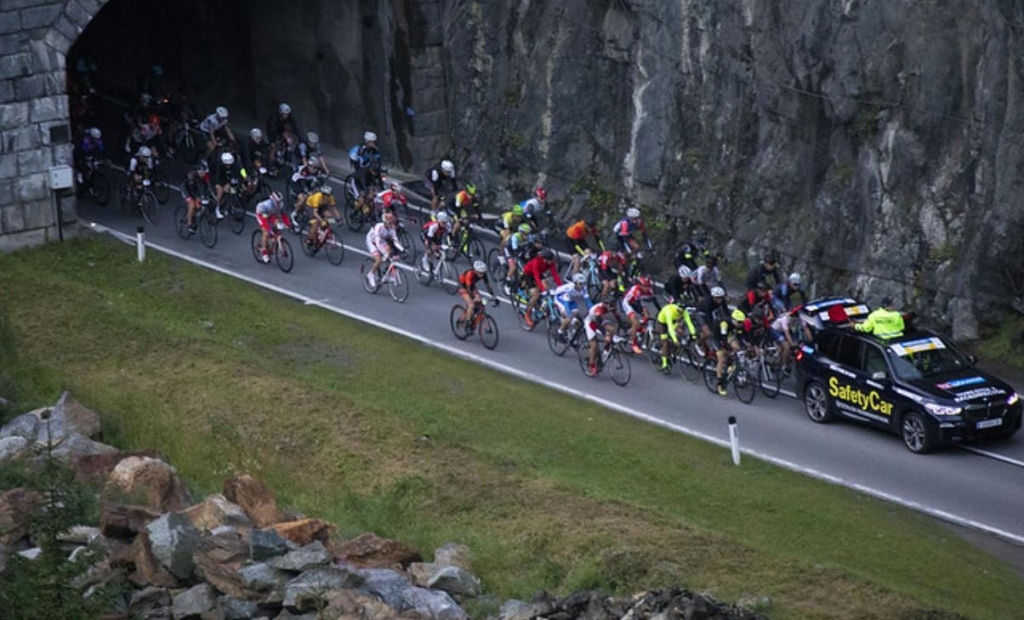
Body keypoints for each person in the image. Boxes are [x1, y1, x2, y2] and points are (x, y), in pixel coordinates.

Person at [521, 249, 563, 328]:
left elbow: (555, 275)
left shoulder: (551, 263)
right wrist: (542, 289)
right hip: (529, 274)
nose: (551, 262)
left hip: (539, 273)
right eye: (550, 260)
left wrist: (561, 287)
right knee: (536, 294)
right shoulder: (537, 261)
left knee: (547, 286)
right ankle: (527, 313)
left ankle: (542, 304)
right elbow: (536, 276)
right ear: (545, 259)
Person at [365, 212, 405, 289]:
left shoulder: (392, 229)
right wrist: (384, 253)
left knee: (391, 255)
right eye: (389, 223)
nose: (391, 225)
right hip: (372, 241)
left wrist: (403, 249)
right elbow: (377, 243)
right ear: (385, 223)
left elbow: (396, 241)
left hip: (381, 240)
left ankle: (388, 273)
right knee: (379, 259)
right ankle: (370, 274)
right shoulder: (378, 227)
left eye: (392, 223)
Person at [620, 275, 657, 354]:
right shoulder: (636, 290)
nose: (648, 288)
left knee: (647, 316)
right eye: (646, 286)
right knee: (635, 322)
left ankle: (639, 329)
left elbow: (653, 300)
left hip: (636, 302)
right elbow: (638, 302)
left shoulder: (649, 290)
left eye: (649, 286)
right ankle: (634, 344)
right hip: (628, 303)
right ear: (640, 285)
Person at [656, 302, 696, 372]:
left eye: (682, 312)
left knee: (680, 333)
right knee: (665, 343)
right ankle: (664, 364)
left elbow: (689, 323)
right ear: (676, 309)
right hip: (663, 322)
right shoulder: (670, 311)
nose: (680, 313)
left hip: (674, 321)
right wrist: (675, 340)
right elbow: (670, 328)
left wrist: (693, 334)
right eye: (679, 311)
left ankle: (672, 351)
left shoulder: (684, 312)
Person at [583, 301, 619, 377]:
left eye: (613, 305)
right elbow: (599, 323)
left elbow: (617, 319)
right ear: (605, 304)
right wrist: (606, 334)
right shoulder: (599, 309)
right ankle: (592, 366)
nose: (611, 308)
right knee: (594, 344)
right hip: (590, 322)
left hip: (600, 320)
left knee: (612, 330)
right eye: (610, 306)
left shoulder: (610, 307)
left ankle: (606, 349)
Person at [553, 273, 593, 339]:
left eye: (583, 283)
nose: (582, 286)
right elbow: (566, 305)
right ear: (575, 283)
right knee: (569, 318)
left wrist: (592, 311)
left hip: (571, 300)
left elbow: (588, 301)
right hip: (560, 300)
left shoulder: (584, 288)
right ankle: (559, 332)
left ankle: (574, 334)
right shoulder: (569, 289)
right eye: (580, 284)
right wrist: (570, 316)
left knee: (580, 314)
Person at [255, 192, 292, 262]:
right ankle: (264, 253)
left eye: (280, 202)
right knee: (266, 232)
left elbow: (284, 215)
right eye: (278, 202)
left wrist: (288, 224)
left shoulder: (281, 205)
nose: (279, 203)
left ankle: (275, 239)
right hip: (261, 214)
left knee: (277, 224)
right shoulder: (267, 205)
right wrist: (269, 230)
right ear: (273, 200)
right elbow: (265, 222)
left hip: (271, 213)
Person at [211, 151, 241, 219]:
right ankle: (217, 208)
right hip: (216, 179)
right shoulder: (218, 166)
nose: (228, 166)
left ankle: (230, 205)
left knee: (233, 190)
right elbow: (217, 177)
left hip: (227, 179)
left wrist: (242, 178)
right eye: (227, 165)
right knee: (220, 191)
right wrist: (223, 185)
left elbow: (239, 171)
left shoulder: (234, 164)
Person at [182, 163, 210, 232]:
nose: (204, 175)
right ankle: (189, 225)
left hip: (195, 189)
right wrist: (197, 197)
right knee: (192, 205)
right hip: (186, 189)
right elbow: (191, 190)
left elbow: (207, 187)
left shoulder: (204, 177)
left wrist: (207, 196)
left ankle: (194, 216)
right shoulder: (192, 176)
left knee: (200, 205)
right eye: (202, 173)